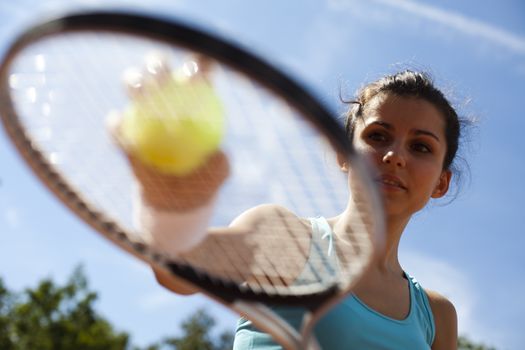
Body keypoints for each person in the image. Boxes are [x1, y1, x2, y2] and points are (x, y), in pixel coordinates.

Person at [114, 62, 467, 349]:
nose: (394, 156)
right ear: (343, 154)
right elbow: (183, 268)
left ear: (441, 182)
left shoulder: (437, 316)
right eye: (377, 136)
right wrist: (173, 209)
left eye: (421, 146)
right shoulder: (288, 239)